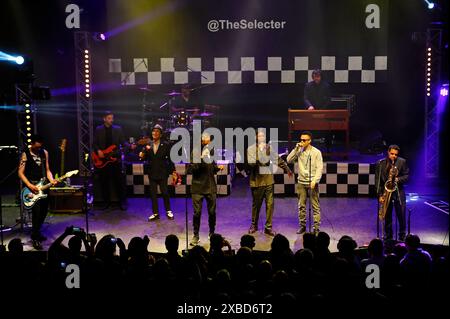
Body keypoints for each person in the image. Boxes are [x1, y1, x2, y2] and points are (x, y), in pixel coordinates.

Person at [247, 130, 292, 236]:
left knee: (270, 205)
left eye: (263, 136)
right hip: (257, 182)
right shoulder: (251, 149)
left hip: (268, 181)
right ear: (256, 137)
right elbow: (251, 163)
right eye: (260, 136)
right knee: (256, 205)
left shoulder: (268, 148)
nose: (262, 137)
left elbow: (278, 159)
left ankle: (268, 227)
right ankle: (254, 225)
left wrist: (287, 169)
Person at [18, 134, 57, 249]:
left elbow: (48, 169)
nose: (38, 149)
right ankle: (35, 238)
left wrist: (51, 179)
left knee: (44, 211)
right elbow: (20, 173)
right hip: (32, 187)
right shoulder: (25, 154)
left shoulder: (44, 153)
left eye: (40, 147)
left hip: (44, 186)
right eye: (36, 147)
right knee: (36, 212)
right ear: (32, 144)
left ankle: (36, 232)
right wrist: (30, 185)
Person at [93, 111, 133, 210]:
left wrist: (130, 146)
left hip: (115, 159)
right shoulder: (98, 129)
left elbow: (123, 142)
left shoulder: (118, 129)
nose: (111, 120)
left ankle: (121, 202)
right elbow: (94, 143)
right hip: (102, 160)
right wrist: (98, 151)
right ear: (104, 119)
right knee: (104, 182)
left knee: (119, 182)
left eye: (112, 118)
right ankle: (106, 203)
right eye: (109, 118)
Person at [189, 133, 224, 246]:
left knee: (212, 212)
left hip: (210, 187)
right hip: (198, 187)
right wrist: (201, 159)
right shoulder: (195, 151)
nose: (208, 143)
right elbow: (192, 169)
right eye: (206, 141)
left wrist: (217, 168)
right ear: (202, 141)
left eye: (209, 141)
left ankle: (212, 233)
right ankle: (196, 235)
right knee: (197, 213)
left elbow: (212, 168)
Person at [287, 131, 323, 235]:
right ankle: (302, 226)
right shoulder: (299, 151)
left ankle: (316, 228)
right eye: (301, 139)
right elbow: (289, 160)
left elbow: (319, 168)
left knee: (315, 206)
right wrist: (296, 149)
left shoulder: (316, 152)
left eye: (304, 140)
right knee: (301, 206)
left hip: (312, 182)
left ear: (309, 140)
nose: (302, 141)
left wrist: (315, 180)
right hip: (301, 182)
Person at [139, 124, 178, 221]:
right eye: (153, 131)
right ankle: (155, 213)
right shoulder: (148, 144)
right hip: (152, 172)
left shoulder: (166, 144)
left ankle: (168, 211)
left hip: (162, 172)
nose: (154, 133)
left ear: (160, 134)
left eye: (157, 132)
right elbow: (143, 158)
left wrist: (173, 171)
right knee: (153, 194)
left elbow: (170, 159)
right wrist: (142, 155)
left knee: (165, 192)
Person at [375, 144, 409, 241]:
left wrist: (397, 179)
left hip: (398, 192)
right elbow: (377, 182)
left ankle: (402, 237)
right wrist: (379, 195)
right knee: (387, 216)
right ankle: (388, 237)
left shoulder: (402, 162)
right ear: (388, 152)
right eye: (392, 154)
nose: (393, 156)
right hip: (386, 192)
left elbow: (406, 176)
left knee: (401, 216)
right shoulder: (380, 163)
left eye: (395, 154)